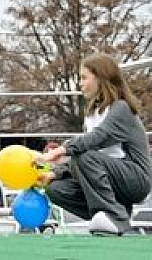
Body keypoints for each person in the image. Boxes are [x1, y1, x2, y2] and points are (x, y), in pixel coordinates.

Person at [40, 53, 152, 236]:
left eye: (84, 78)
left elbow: (98, 138)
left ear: (101, 77)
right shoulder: (92, 114)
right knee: (56, 189)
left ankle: (116, 217)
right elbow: (89, 158)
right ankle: (109, 213)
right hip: (111, 175)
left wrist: (62, 149)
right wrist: (54, 173)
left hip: (135, 179)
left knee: (84, 154)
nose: (80, 84)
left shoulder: (121, 108)